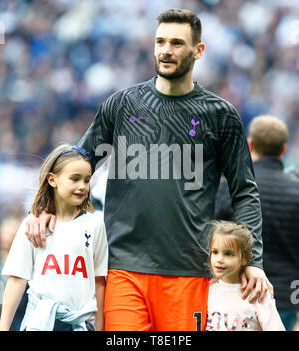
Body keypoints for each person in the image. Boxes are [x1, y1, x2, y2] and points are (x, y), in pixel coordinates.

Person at [25, 9, 271, 331]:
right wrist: (47, 207)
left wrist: (253, 262)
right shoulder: (123, 104)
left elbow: (244, 191)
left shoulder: (220, 115)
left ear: (198, 51)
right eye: (160, 42)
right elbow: (79, 160)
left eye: (177, 43)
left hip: (190, 270)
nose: (166, 50)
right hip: (123, 268)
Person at [0, 144, 108, 331]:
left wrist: (100, 328)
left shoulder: (96, 224)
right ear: (52, 179)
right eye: (75, 179)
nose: (82, 186)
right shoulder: (32, 225)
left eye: (87, 180)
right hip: (38, 323)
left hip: (79, 324)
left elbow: (99, 281)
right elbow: (17, 278)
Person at [215, 115, 299, 330]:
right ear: (283, 150)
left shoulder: (229, 188)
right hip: (287, 296)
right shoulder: (295, 191)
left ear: (250, 144)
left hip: (242, 296)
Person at [206, 220, 285, 331]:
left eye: (228, 253)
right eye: (215, 252)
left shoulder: (258, 293)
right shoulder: (206, 289)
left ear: (245, 258)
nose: (219, 259)